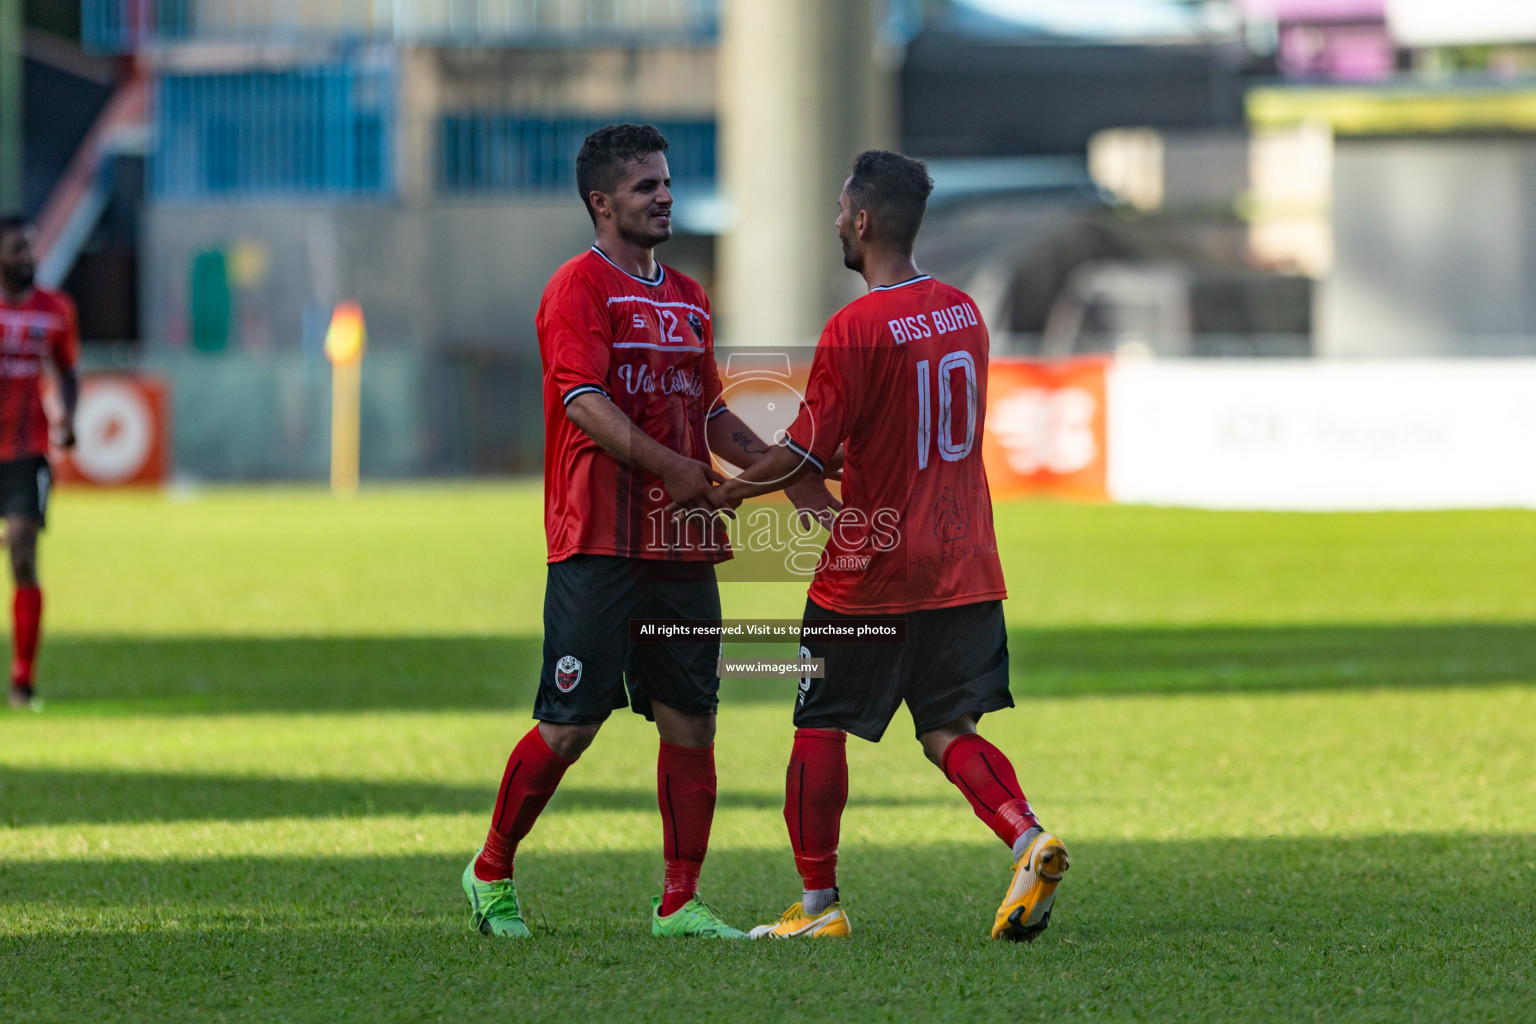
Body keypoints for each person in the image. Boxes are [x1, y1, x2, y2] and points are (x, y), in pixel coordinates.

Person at [461, 124, 835, 939]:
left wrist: (792, 473)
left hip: (681, 547)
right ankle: (490, 871)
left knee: (691, 722)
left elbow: (712, 415)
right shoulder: (577, 289)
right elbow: (582, 403)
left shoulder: (689, 298)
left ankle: (679, 903)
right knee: (567, 727)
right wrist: (671, 468)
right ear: (602, 203)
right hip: (597, 541)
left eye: (667, 183)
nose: (664, 196)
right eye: (645, 187)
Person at [706, 151, 1069, 941]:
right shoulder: (963, 311)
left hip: (872, 570)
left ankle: (817, 909)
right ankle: (1027, 837)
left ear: (863, 222)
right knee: (948, 731)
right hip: (965, 560)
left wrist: (731, 488)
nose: (836, 220)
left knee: (818, 725)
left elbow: (806, 450)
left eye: (841, 210)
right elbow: (890, 434)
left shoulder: (856, 328)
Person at [0, 217, 78, 712]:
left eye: (29, 248)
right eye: (15, 249)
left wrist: (69, 417)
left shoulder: (57, 310)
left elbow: (68, 371)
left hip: (28, 452)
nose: (26, 257)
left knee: (23, 554)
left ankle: (23, 681)